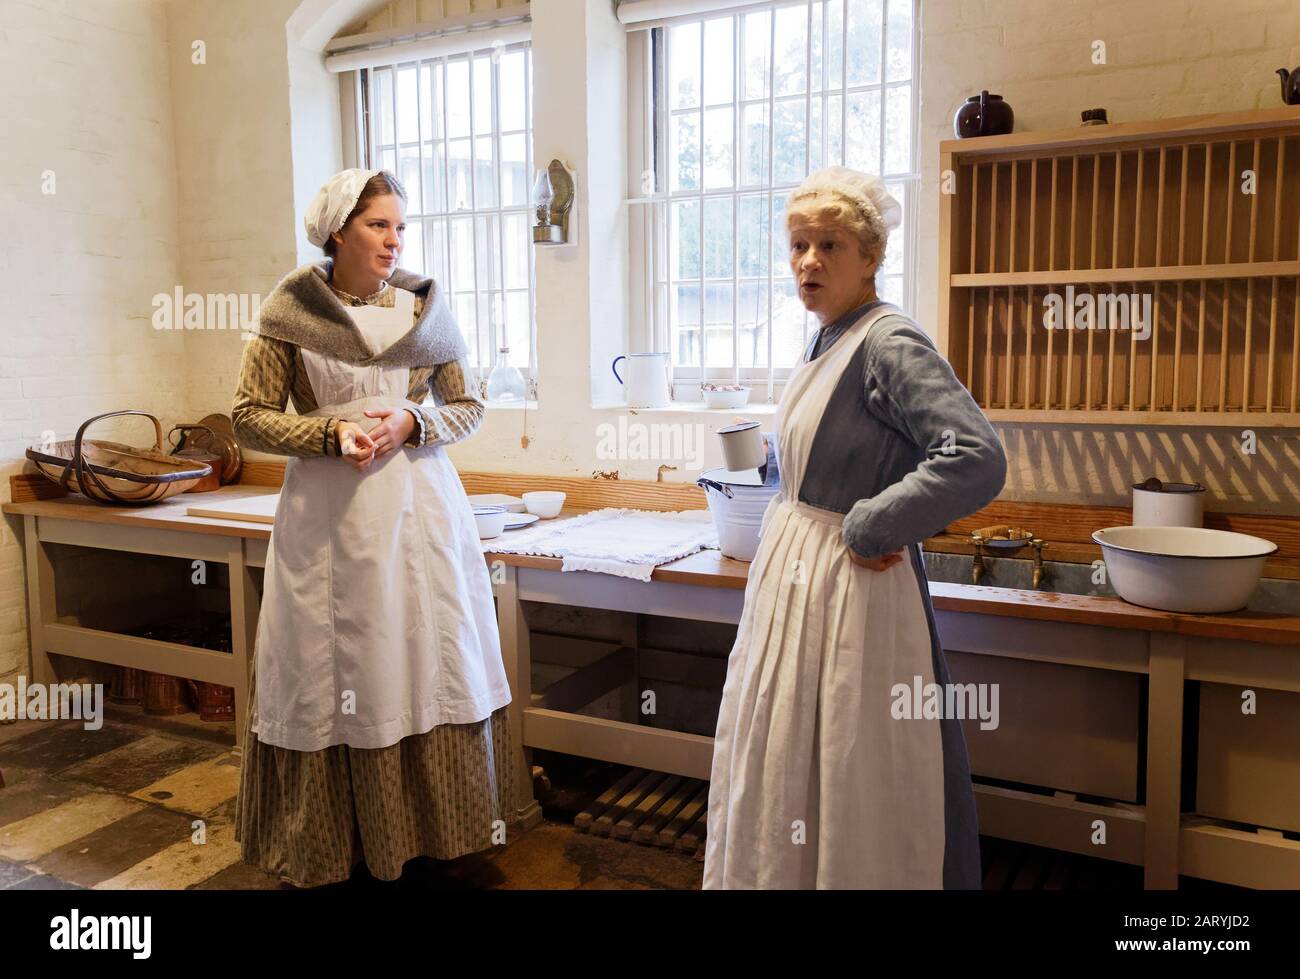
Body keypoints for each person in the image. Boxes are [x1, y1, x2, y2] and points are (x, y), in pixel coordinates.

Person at [704, 166, 1008, 889]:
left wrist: (873, 522)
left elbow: (976, 456)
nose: (808, 261)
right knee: (789, 759)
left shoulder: (889, 342)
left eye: (830, 245)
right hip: (801, 586)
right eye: (798, 245)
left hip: (850, 596)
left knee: (853, 759)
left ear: (870, 258)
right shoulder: (827, 339)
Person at [231, 169, 514, 887]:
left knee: (420, 656)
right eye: (378, 225)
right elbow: (247, 414)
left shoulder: (426, 311)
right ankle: (342, 845)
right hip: (328, 513)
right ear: (337, 232)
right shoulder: (290, 309)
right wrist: (330, 436)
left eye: (399, 227)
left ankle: (428, 833)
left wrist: (412, 419)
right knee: (343, 665)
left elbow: (470, 407)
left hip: (419, 509)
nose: (394, 240)